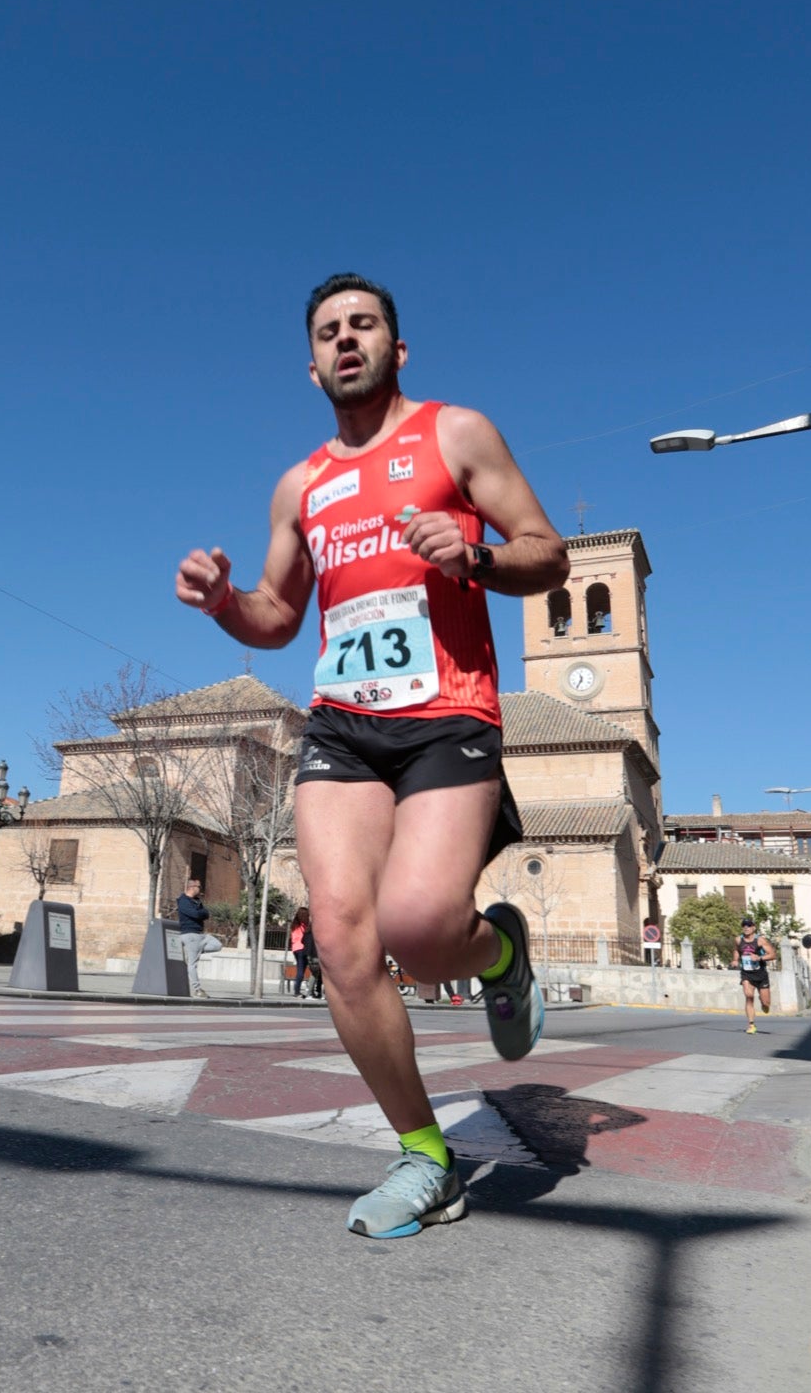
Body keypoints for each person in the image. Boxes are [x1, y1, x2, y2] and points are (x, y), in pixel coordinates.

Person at [176, 271, 569, 1237]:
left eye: (363, 324)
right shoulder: (300, 484)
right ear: (309, 366)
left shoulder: (455, 434)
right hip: (343, 725)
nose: (344, 338)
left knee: (424, 927)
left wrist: (472, 554)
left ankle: (500, 950)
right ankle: (425, 1156)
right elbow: (278, 615)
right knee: (346, 939)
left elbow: (547, 555)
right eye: (326, 330)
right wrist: (227, 602)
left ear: (397, 349)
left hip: (446, 715)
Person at [177, 877, 222, 999]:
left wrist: (201, 913)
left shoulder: (197, 901)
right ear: (191, 887)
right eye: (199, 887)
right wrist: (200, 913)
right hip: (190, 934)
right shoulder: (183, 901)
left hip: (201, 935)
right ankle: (197, 990)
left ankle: (196, 950)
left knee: (217, 945)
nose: (200, 889)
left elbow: (206, 913)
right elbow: (196, 914)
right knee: (192, 964)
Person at [732, 915, 776, 1032]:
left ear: (753, 928)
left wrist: (759, 958)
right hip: (746, 973)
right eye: (744, 925)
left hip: (761, 974)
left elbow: (772, 954)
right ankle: (751, 1025)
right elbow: (736, 950)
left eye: (749, 925)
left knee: (766, 1002)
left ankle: (764, 1004)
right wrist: (736, 960)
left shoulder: (760, 940)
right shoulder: (738, 940)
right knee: (749, 996)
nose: (746, 927)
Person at [288, 906, 311, 996]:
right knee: (301, 970)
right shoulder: (303, 926)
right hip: (302, 948)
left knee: (300, 969)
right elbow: (305, 937)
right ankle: (296, 991)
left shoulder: (294, 925)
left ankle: (297, 990)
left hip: (295, 949)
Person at [303, 918, 323, 999]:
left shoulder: (307, 933)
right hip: (316, 955)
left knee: (314, 974)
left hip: (309, 956)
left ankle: (312, 992)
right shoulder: (318, 934)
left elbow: (302, 941)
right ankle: (310, 993)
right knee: (315, 974)